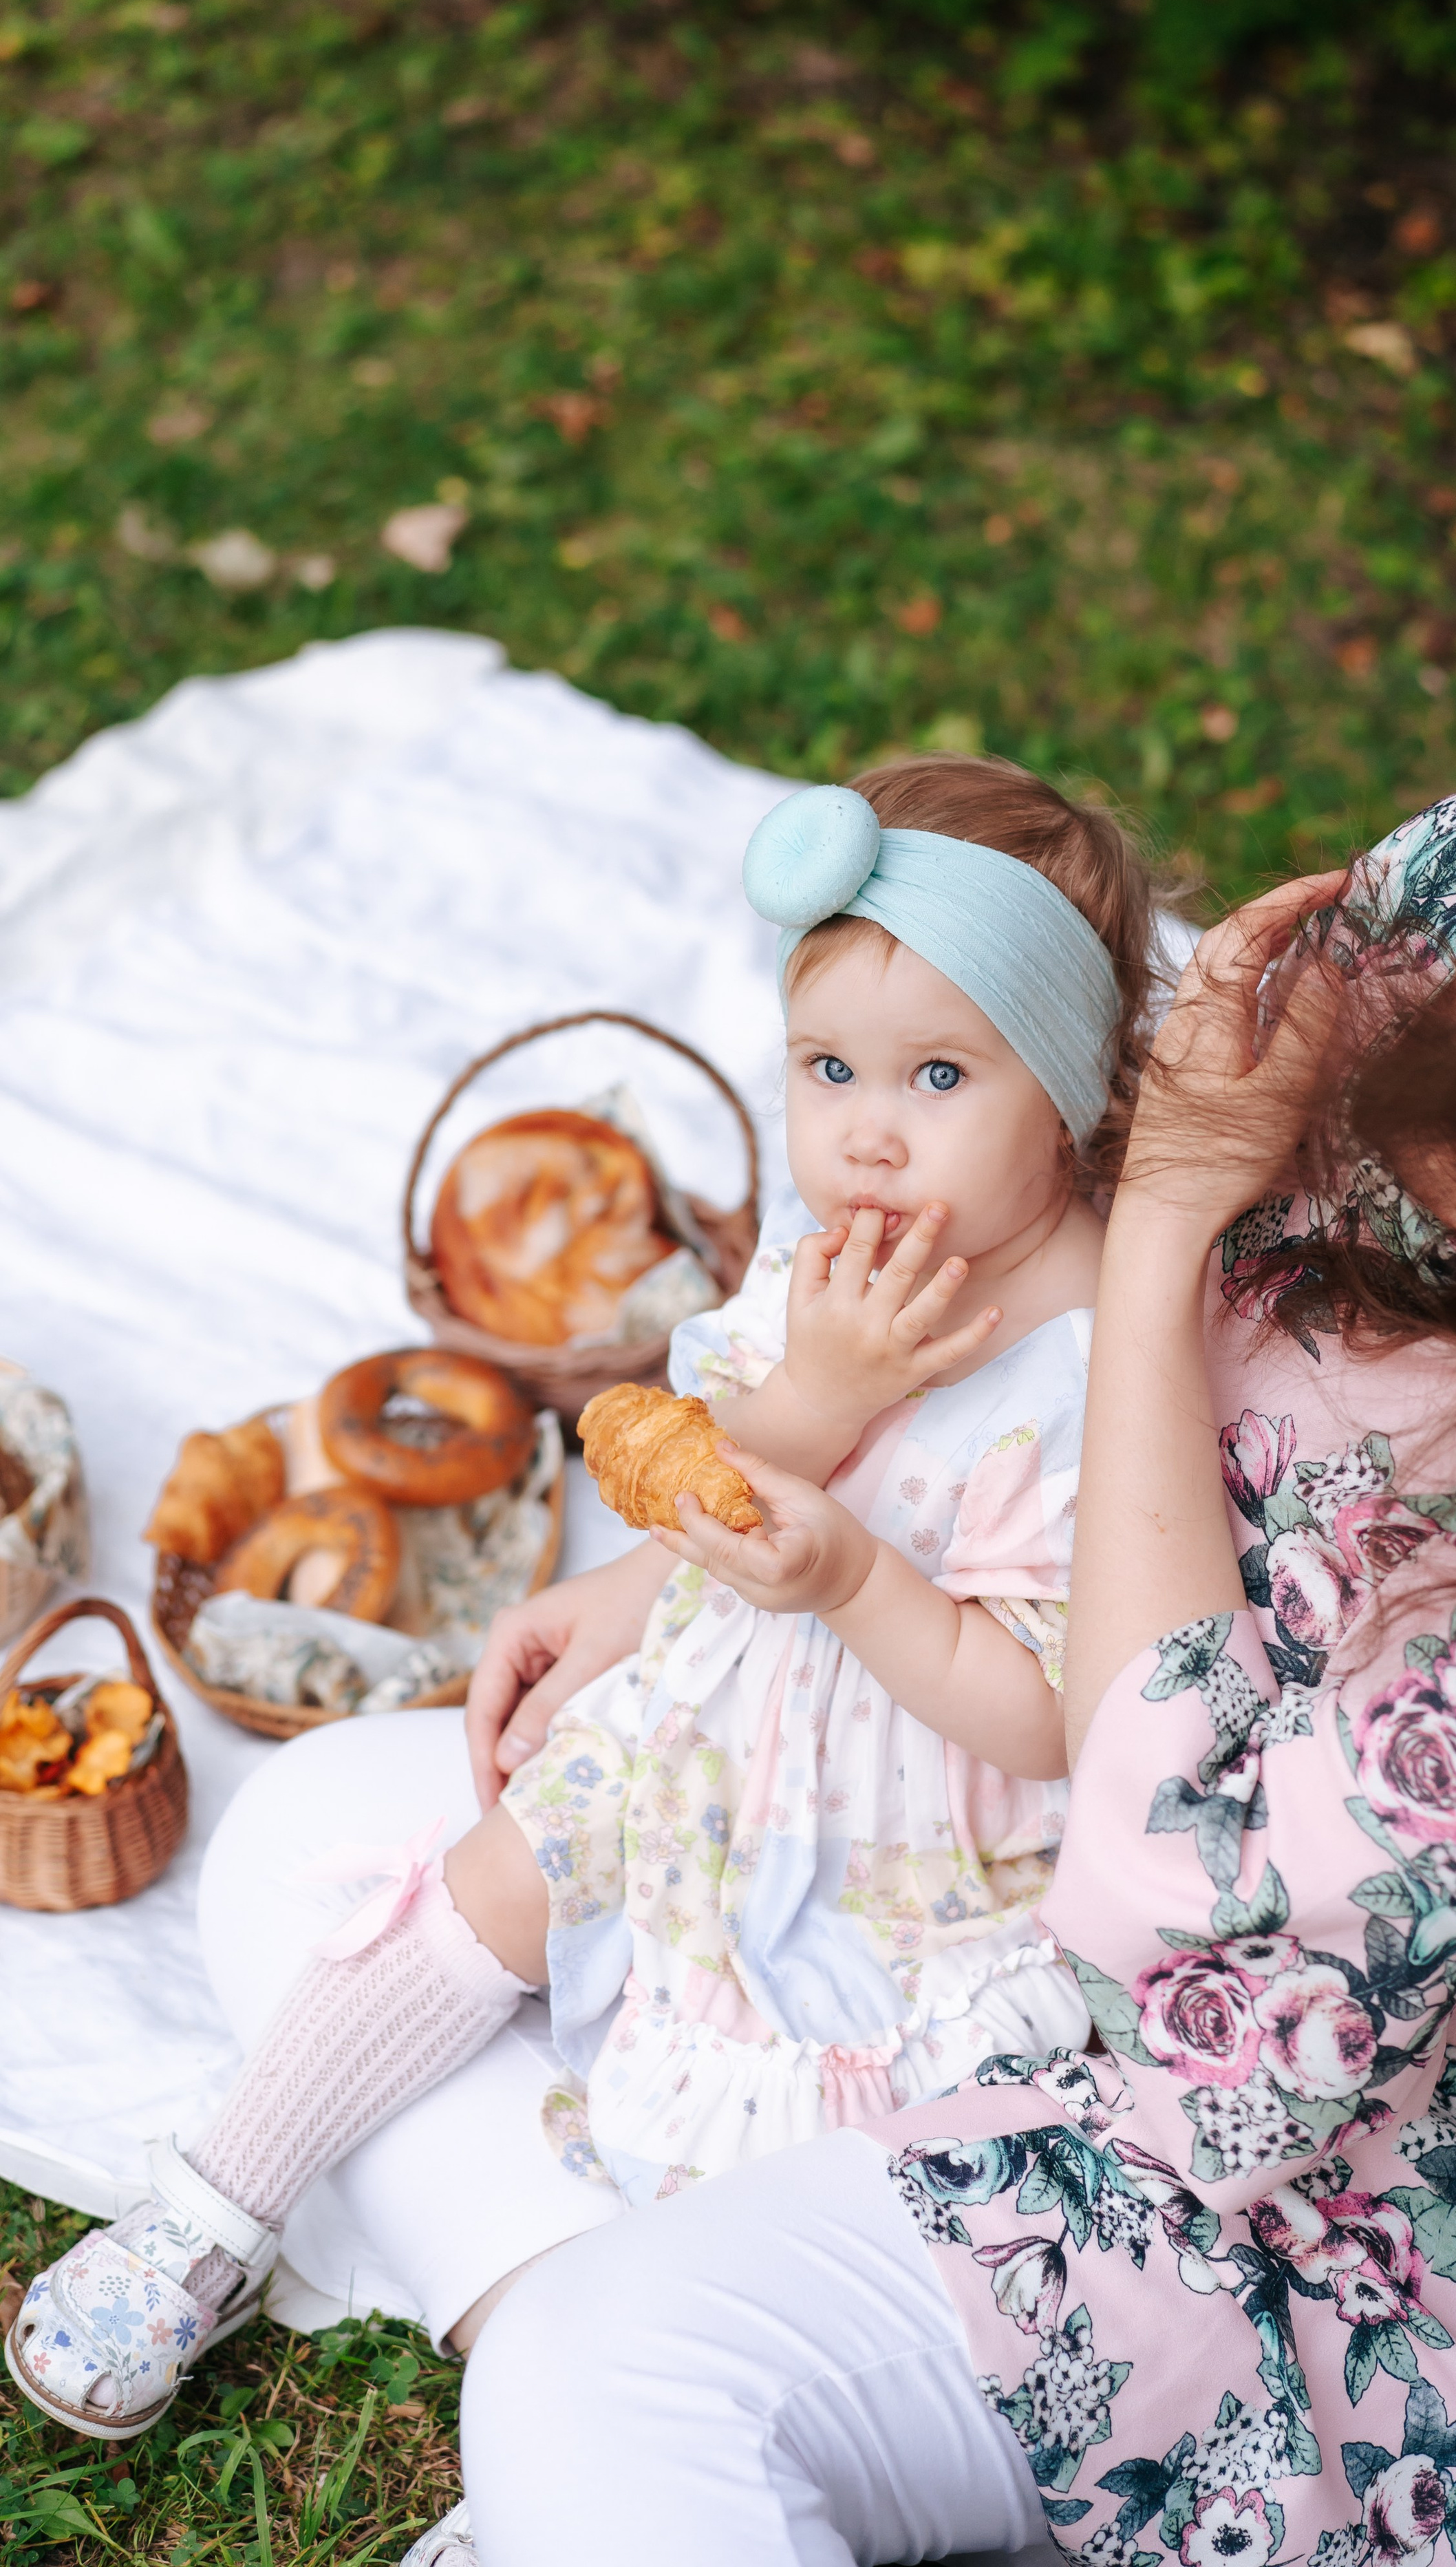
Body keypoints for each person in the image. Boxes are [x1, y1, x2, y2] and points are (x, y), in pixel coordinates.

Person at [449, 513, 1456, 2567]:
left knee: (590, 2377)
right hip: (964, 1739)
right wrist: (661, 1571)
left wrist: (1160, 1251)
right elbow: (1066, 1126)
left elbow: (1189, 1933)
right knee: (391, 1854)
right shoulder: (1455, 909)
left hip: (1320, 2137)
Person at [6, 753, 1164, 2448]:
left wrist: (847, 1573)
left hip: (924, 1828)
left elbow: (1054, 1714)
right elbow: (733, 1467)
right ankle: (219, 2196)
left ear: (1059, 1089)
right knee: (493, 1869)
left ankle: (615, 2437)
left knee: (805, 2138)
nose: (863, 1126)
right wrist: (638, 1580)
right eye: (827, 1064)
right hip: (726, 1710)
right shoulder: (843, 1250)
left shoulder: (1091, 1351)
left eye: (936, 1073)